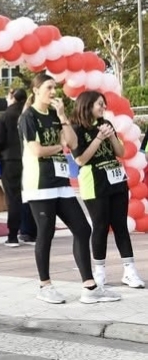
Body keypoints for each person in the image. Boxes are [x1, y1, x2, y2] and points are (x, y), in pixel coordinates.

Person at [19, 73, 120, 304]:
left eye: (55, 87)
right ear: (36, 90)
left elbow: (73, 143)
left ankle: (89, 286)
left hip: (61, 183)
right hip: (40, 184)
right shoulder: (28, 117)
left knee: (83, 229)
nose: (54, 92)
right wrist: (59, 146)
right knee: (46, 232)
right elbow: (37, 151)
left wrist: (63, 117)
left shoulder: (56, 114)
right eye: (49, 87)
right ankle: (45, 285)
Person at [71, 90, 144, 289]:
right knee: (100, 225)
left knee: (120, 225)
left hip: (116, 179)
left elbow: (121, 152)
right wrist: (98, 139)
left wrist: (111, 137)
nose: (103, 108)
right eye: (99, 104)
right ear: (87, 106)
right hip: (94, 182)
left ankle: (129, 271)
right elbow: (80, 159)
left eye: (104, 104)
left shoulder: (107, 124)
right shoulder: (76, 128)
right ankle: (99, 271)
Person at [0, 88, 37, 246]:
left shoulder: (5, 116)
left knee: (13, 198)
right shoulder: (32, 113)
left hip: (10, 160)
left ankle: (13, 235)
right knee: (31, 195)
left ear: (12, 98)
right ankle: (31, 233)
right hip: (31, 159)